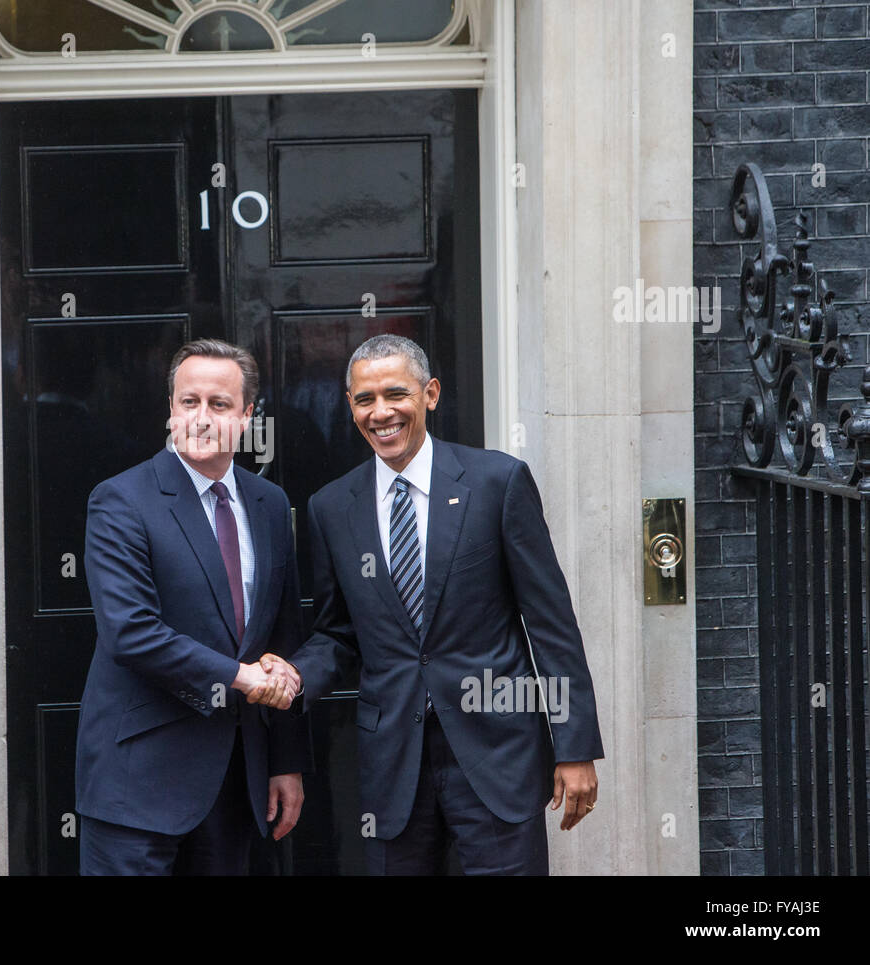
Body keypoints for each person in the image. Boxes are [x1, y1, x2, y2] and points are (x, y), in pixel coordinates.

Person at [269, 333, 604, 875]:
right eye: (364, 399)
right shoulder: (332, 507)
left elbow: (551, 626)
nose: (381, 413)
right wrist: (295, 676)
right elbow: (339, 633)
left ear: (431, 393)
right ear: (350, 405)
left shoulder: (497, 482)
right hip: (393, 766)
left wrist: (575, 747)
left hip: (497, 755)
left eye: (395, 394)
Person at [76, 338, 310, 875]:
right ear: (172, 410)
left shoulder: (270, 505)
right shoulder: (120, 500)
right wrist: (244, 679)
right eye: (189, 402)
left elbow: (285, 636)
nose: (202, 418)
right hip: (136, 782)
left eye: (220, 405)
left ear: (247, 416)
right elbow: (131, 632)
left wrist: (286, 762)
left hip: (235, 782)